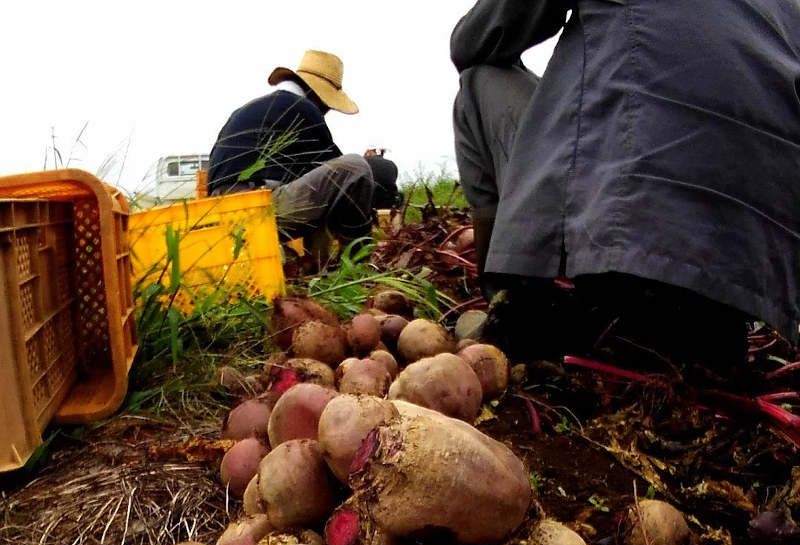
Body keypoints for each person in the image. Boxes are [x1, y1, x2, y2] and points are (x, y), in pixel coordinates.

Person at [451, 1, 800, 368]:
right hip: (752, 271)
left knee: (480, 78)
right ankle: (706, 328)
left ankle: (514, 306)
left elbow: (473, 43)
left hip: (628, 235)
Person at [208, 50, 401, 261]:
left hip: (223, 214)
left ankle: (316, 267)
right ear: (315, 92)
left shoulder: (250, 109)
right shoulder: (302, 107)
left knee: (314, 184)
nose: (326, 110)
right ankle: (357, 260)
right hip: (256, 211)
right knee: (356, 167)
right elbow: (346, 178)